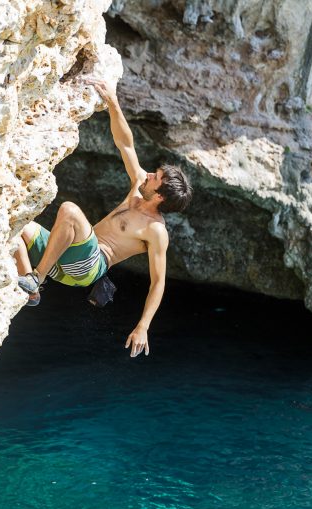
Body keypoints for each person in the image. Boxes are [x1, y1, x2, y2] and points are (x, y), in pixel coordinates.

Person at [14, 80, 193, 357]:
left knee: (71, 211)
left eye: (154, 178)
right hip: (64, 260)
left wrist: (143, 326)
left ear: (160, 196)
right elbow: (126, 144)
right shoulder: (138, 187)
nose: (147, 175)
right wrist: (113, 103)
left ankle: (36, 277)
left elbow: (159, 282)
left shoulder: (156, 231)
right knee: (14, 225)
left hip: (89, 267)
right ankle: (31, 290)